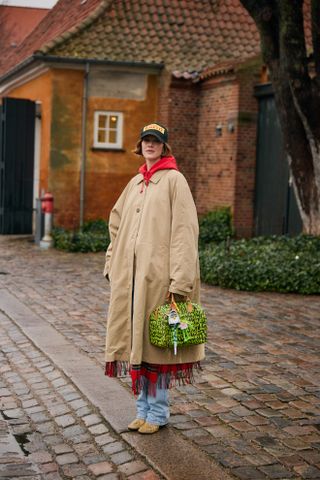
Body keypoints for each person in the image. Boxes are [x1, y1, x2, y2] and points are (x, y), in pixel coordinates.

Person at [104, 122, 205, 434]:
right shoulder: (136, 182)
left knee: (157, 346)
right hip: (131, 281)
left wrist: (180, 281)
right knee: (137, 345)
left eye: (156, 141)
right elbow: (116, 224)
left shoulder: (175, 181)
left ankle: (158, 413)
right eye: (146, 140)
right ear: (140, 145)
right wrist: (112, 262)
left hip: (160, 281)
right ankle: (142, 410)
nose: (150, 145)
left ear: (164, 146)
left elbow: (185, 233)